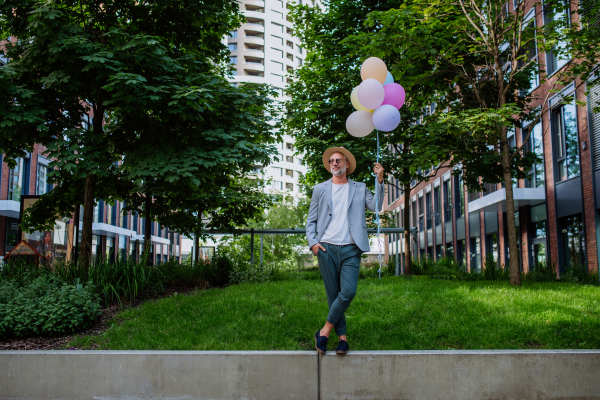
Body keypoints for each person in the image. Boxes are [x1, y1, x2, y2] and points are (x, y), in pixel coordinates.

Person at [306, 146, 384, 355]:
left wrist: (379, 180)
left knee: (347, 292)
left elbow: (375, 206)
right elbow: (311, 219)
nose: (334, 164)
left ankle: (323, 332)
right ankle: (343, 339)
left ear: (347, 164)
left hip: (351, 248)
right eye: (331, 161)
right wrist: (313, 243)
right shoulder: (320, 189)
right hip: (326, 247)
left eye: (338, 161)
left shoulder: (359, 187)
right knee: (333, 295)